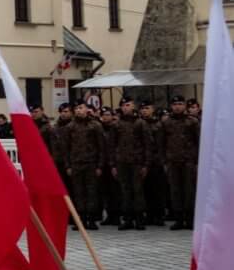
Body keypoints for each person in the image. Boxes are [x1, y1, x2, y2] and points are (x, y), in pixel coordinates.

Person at [159, 95, 200, 230]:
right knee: (175, 191)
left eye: (180, 104)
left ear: (184, 106)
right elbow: (161, 144)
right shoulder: (166, 123)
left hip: (188, 162)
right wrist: (164, 161)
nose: (177, 106)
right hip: (172, 162)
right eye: (175, 104)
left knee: (189, 191)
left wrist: (197, 161)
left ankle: (189, 219)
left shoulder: (192, 122)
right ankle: (178, 219)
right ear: (171, 106)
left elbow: (199, 142)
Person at [111, 98, 150, 230]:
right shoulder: (116, 124)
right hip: (122, 163)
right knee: (125, 191)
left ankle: (139, 218)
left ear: (133, 106)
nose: (125, 108)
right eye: (123, 106)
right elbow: (112, 145)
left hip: (137, 163)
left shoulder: (140, 123)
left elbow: (147, 145)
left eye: (128, 105)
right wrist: (113, 165)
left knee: (138, 190)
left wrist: (146, 164)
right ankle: (127, 219)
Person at [66, 103, 105, 230]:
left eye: (81, 108)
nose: (79, 110)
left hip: (91, 164)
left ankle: (92, 219)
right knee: (78, 193)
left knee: (92, 192)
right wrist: (68, 166)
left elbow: (101, 147)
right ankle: (81, 220)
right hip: (76, 164)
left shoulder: (95, 125)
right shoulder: (70, 127)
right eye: (76, 108)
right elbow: (66, 148)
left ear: (87, 109)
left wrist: (100, 165)